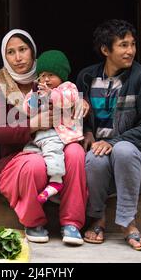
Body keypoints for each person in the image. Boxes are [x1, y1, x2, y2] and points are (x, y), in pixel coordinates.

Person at [0, 29, 88, 246]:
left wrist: (82, 104)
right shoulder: (0, 84)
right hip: (19, 155)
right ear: (5, 56)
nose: (18, 57)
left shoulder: (47, 76)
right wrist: (32, 125)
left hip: (58, 141)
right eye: (11, 52)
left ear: (33, 52)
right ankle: (33, 221)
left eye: (23, 49)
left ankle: (72, 223)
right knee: (35, 164)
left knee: (76, 152)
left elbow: (69, 102)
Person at [76, 19, 141, 250]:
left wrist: (113, 142)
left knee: (122, 150)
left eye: (132, 44)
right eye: (123, 45)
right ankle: (97, 218)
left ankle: (128, 223)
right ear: (106, 50)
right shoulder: (86, 78)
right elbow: (75, 114)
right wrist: (86, 132)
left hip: (136, 165)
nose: (131, 51)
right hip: (101, 169)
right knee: (94, 156)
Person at [23, 50, 84, 204]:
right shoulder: (38, 90)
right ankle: (41, 187)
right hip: (41, 136)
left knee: (52, 151)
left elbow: (69, 100)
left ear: (61, 76)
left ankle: (56, 181)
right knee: (31, 153)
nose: (46, 79)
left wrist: (51, 95)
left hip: (60, 134)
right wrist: (34, 98)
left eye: (51, 75)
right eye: (42, 75)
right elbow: (28, 110)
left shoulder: (68, 88)